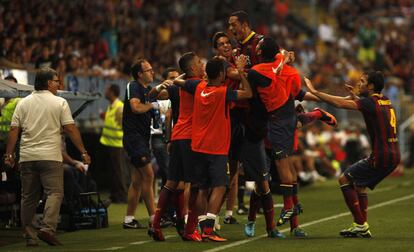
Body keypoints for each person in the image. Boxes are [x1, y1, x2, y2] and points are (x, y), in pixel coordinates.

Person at [304, 71, 400, 238]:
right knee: (359, 185)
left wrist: (315, 92)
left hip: (382, 154)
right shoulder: (385, 101)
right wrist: (356, 97)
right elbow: (369, 107)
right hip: (394, 154)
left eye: (362, 82)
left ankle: (360, 225)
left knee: (344, 179)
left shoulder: (369, 103)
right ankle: (361, 226)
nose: (358, 84)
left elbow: (339, 104)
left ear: (370, 86)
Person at [4, 67, 91, 246]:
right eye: (57, 81)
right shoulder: (59, 102)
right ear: (48, 83)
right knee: (55, 192)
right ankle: (47, 229)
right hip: (50, 156)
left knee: (28, 197)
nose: (59, 84)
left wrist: (9, 154)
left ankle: (29, 236)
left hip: (27, 156)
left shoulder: (23, 103)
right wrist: (83, 151)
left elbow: (14, 130)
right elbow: (70, 129)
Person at [180, 57, 252, 242]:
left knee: (202, 188)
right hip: (216, 147)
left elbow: (178, 82)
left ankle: (204, 227)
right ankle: (209, 229)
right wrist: (242, 72)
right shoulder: (224, 92)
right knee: (221, 186)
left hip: (197, 146)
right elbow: (248, 93)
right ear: (221, 74)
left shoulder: (198, 88)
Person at [147, 53, 204, 241]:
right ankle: (190, 229)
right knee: (195, 184)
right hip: (190, 138)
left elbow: (152, 95)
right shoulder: (197, 84)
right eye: (198, 63)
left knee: (172, 182)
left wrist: (175, 79)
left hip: (178, 135)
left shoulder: (178, 86)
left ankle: (156, 225)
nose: (202, 64)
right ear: (193, 68)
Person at [228, 10, 264, 215]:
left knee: (261, 168)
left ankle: (258, 215)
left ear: (245, 24)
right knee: (233, 164)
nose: (231, 28)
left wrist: (285, 56)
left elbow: (270, 67)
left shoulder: (258, 42)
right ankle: (231, 211)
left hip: (258, 112)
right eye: (229, 25)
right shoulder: (237, 50)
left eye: (234, 24)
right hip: (239, 111)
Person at [122, 58, 165, 229]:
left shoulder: (146, 90)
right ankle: (154, 218)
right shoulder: (134, 86)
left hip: (140, 139)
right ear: (139, 74)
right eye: (148, 70)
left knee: (137, 180)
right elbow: (135, 107)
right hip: (134, 139)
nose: (152, 72)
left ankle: (128, 219)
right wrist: (151, 106)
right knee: (149, 175)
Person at [100, 84, 127, 203]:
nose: (105, 92)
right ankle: (115, 195)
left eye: (107, 90)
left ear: (112, 92)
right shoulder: (112, 106)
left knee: (119, 172)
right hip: (110, 144)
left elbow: (123, 125)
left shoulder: (119, 107)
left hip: (117, 144)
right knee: (114, 172)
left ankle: (122, 196)